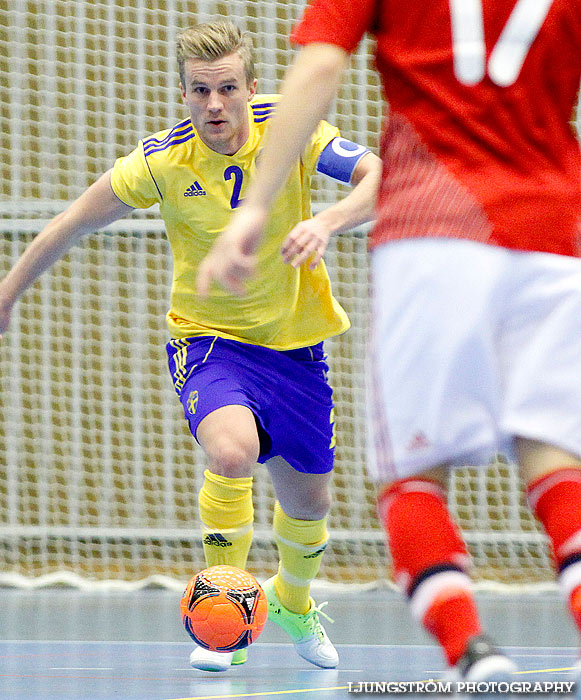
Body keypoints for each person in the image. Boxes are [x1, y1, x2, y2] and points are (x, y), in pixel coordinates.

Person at [0, 20, 381, 673]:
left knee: (309, 505)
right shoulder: (164, 159)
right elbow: (73, 221)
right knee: (231, 450)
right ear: (183, 94)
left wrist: (325, 220)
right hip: (209, 340)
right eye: (198, 91)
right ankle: (226, 617)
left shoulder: (291, 129)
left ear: (249, 87)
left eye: (224, 89)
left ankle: (293, 602)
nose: (212, 105)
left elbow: (378, 175)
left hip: (297, 347)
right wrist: (4, 296)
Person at [197, 0, 581, 685]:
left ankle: (470, 650)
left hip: (432, 233)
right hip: (551, 232)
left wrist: (254, 207)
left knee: (412, 477)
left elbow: (318, 64)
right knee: (555, 462)